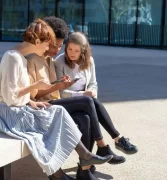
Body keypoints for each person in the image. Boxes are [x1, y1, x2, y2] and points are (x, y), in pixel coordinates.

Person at [0, 19, 112, 180]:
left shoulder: (20, 58)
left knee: (58, 111)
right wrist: (35, 87)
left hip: (19, 108)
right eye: (48, 44)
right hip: (10, 115)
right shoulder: (13, 57)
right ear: (37, 41)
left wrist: (31, 101)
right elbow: (10, 97)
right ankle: (63, 172)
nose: (49, 48)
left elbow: (14, 93)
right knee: (50, 120)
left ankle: (81, 160)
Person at [27, 16, 126, 180]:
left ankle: (84, 170)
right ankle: (103, 146)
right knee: (87, 101)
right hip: (43, 108)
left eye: (60, 45)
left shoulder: (48, 59)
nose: (58, 49)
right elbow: (33, 96)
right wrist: (57, 86)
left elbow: (84, 84)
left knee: (86, 118)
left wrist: (59, 85)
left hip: (55, 104)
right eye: (55, 45)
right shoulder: (34, 60)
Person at [54, 32, 138, 154]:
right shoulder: (60, 61)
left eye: (76, 50)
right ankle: (116, 139)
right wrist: (83, 95)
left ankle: (90, 161)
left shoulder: (89, 61)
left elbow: (93, 83)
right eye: (70, 49)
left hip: (86, 100)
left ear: (83, 51)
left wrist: (92, 92)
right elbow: (60, 92)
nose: (72, 53)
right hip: (68, 100)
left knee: (89, 115)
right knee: (90, 104)